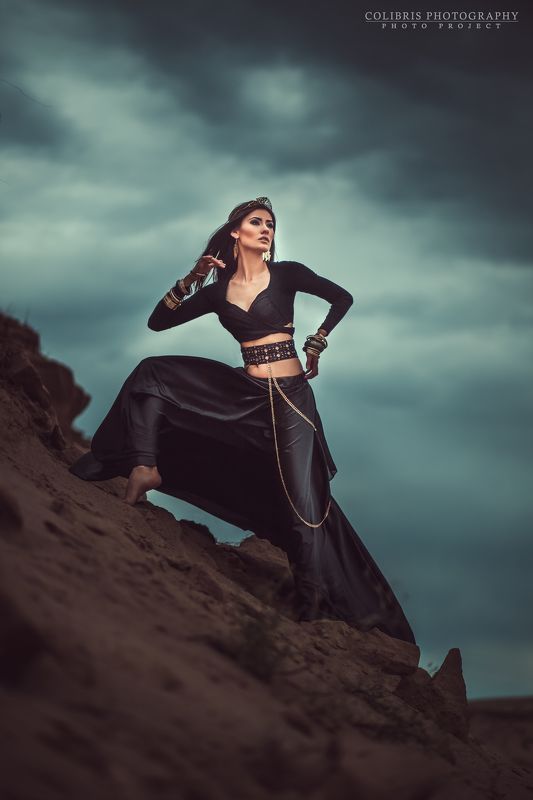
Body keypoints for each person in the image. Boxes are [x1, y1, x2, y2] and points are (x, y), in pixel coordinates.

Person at [69, 197, 417, 645]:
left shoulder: (289, 273)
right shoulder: (215, 291)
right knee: (153, 372)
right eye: (256, 222)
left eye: (270, 224)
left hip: (291, 402)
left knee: (303, 507)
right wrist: (191, 280)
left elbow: (342, 297)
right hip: (245, 393)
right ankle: (145, 464)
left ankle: (312, 612)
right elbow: (158, 322)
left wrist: (317, 341)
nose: (266, 229)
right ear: (236, 232)